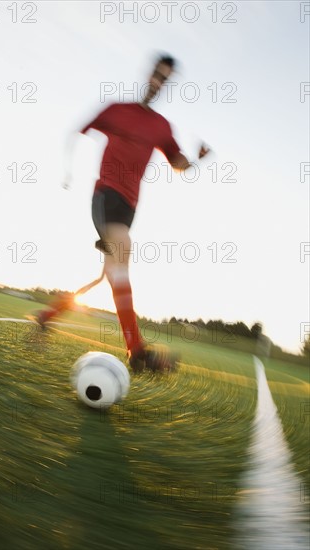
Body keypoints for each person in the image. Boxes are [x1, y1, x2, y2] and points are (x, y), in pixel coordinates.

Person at [35, 55, 210, 373]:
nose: (158, 82)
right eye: (157, 74)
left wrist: (196, 159)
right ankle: (138, 352)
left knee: (110, 276)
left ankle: (45, 317)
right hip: (106, 196)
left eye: (165, 79)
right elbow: (78, 131)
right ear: (148, 75)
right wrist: (67, 172)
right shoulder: (117, 110)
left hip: (129, 207)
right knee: (122, 253)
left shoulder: (162, 127)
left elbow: (178, 164)